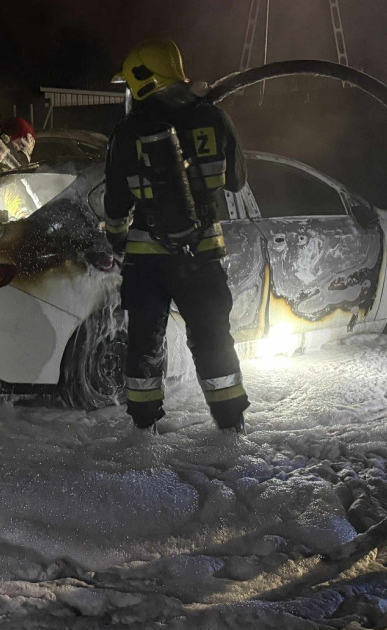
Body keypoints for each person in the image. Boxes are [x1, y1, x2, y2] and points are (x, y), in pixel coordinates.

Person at [102, 38, 249, 433]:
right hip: (201, 254)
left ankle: (143, 430)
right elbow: (236, 181)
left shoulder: (127, 132)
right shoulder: (213, 118)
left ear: (142, 81)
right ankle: (231, 426)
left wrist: (117, 241)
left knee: (145, 343)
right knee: (213, 338)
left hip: (146, 259)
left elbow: (115, 203)